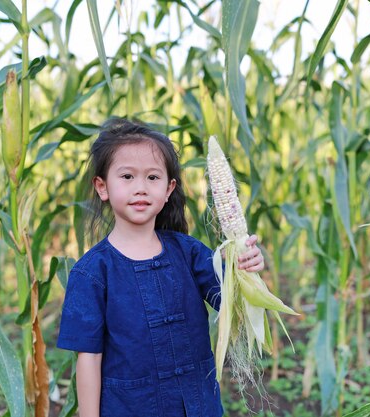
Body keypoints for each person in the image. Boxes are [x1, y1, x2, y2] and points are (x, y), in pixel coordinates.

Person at [57, 118, 265, 417]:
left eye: (152, 178)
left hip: (199, 407)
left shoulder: (189, 252)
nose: (140, 188)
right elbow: (88, 358)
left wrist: (248, 269)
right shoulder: (92, 273)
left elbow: (234, 302)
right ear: (102, 187)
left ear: (169, 189)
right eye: (127, 176)